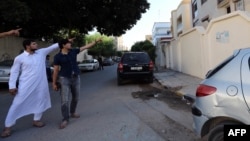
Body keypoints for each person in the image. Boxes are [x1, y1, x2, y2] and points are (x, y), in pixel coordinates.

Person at [1, 39, 60, 138]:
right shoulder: (19, 58)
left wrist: (64, 41)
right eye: (34, 44)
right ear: (27, 46)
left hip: (41, 85)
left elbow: (53, 47)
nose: (36, 45)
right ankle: (8, 127)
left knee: (40, 100)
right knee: (17, 104)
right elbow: (14, 72)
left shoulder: (41, 53)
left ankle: (36, 120)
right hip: (26, 85)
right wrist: (12, 86)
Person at [52, 38, 102, 129]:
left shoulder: (73, 51)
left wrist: (95, 42)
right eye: (69, 43)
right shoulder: (57, 57)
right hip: (64, 79)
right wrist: (54, 83)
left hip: (76, 78)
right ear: (63, 45)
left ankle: (72, 112)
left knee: (76, 97)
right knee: (65, 100)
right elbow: (55, 71)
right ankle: (65, 119)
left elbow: (86, 47)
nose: (70, 44)